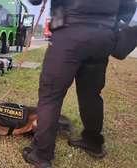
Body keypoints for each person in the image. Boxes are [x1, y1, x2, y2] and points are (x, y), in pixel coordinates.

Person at [23, 0, 137, 168]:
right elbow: (129, 5)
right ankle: (93, 142)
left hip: (69, 34)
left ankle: (41, 154)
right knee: (91, 94)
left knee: (50, 96)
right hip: (102, 38)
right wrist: (112, 24)